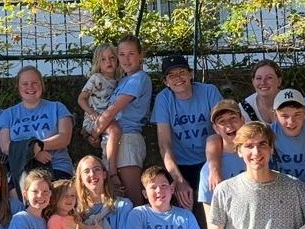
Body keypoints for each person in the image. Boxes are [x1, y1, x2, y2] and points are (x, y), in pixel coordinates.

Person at [151, 54, 223, 209]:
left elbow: (222, 129)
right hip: (181, 163)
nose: (178, 78)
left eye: (182, 72)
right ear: (166, 82)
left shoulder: (209, 91)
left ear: (191, 74)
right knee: (183, 202)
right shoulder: (163, 99)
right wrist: (179, 181)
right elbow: (164, 144)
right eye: (171, 76)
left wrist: (214, 167)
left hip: (211, 158)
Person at [93, 35, 152, 202]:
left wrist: (94, 132)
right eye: (122, 54)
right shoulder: (124, 80)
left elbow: (112, 111)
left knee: (133, 198)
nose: (126, 59)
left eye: (131, 54)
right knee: (117, 199)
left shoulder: (138, 78)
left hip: (127, 140)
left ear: (140, 55)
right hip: (113, 140)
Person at [0, 65, 75, 183]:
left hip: (56, 168)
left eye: (35, 83)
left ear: (42, 85)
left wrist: (38, 146)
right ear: (18, 87)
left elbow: (64, 138)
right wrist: (32, 153)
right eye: (25, 83)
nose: (30, 87)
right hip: (21, 170)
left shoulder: (57, 108)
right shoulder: (8, 114)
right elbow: (5, 147)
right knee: (14, 193)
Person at [76, 44, 120, 177]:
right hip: (95, 120)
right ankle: (112, 172)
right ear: (98, 63)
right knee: (114, 130)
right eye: (103, 59)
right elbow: (81, 99)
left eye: (112, 58)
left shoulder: (119, 81)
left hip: (107, 119)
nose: (108, 62)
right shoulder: (96, 78)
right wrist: (91, 113)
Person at [199, 98, 247, 204]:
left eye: (233, 118)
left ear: (242, 120)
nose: (229, 124)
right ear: (216, 128)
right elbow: (210, 211)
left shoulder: (257, 154)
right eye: (222, 121)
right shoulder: (208, 171)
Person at [239, 59, 283, 125]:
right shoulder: (244, 108)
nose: (263, 82)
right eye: (259, 78)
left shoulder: (291, 101)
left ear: (279, 81)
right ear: (253, 82)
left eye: (269, 77)